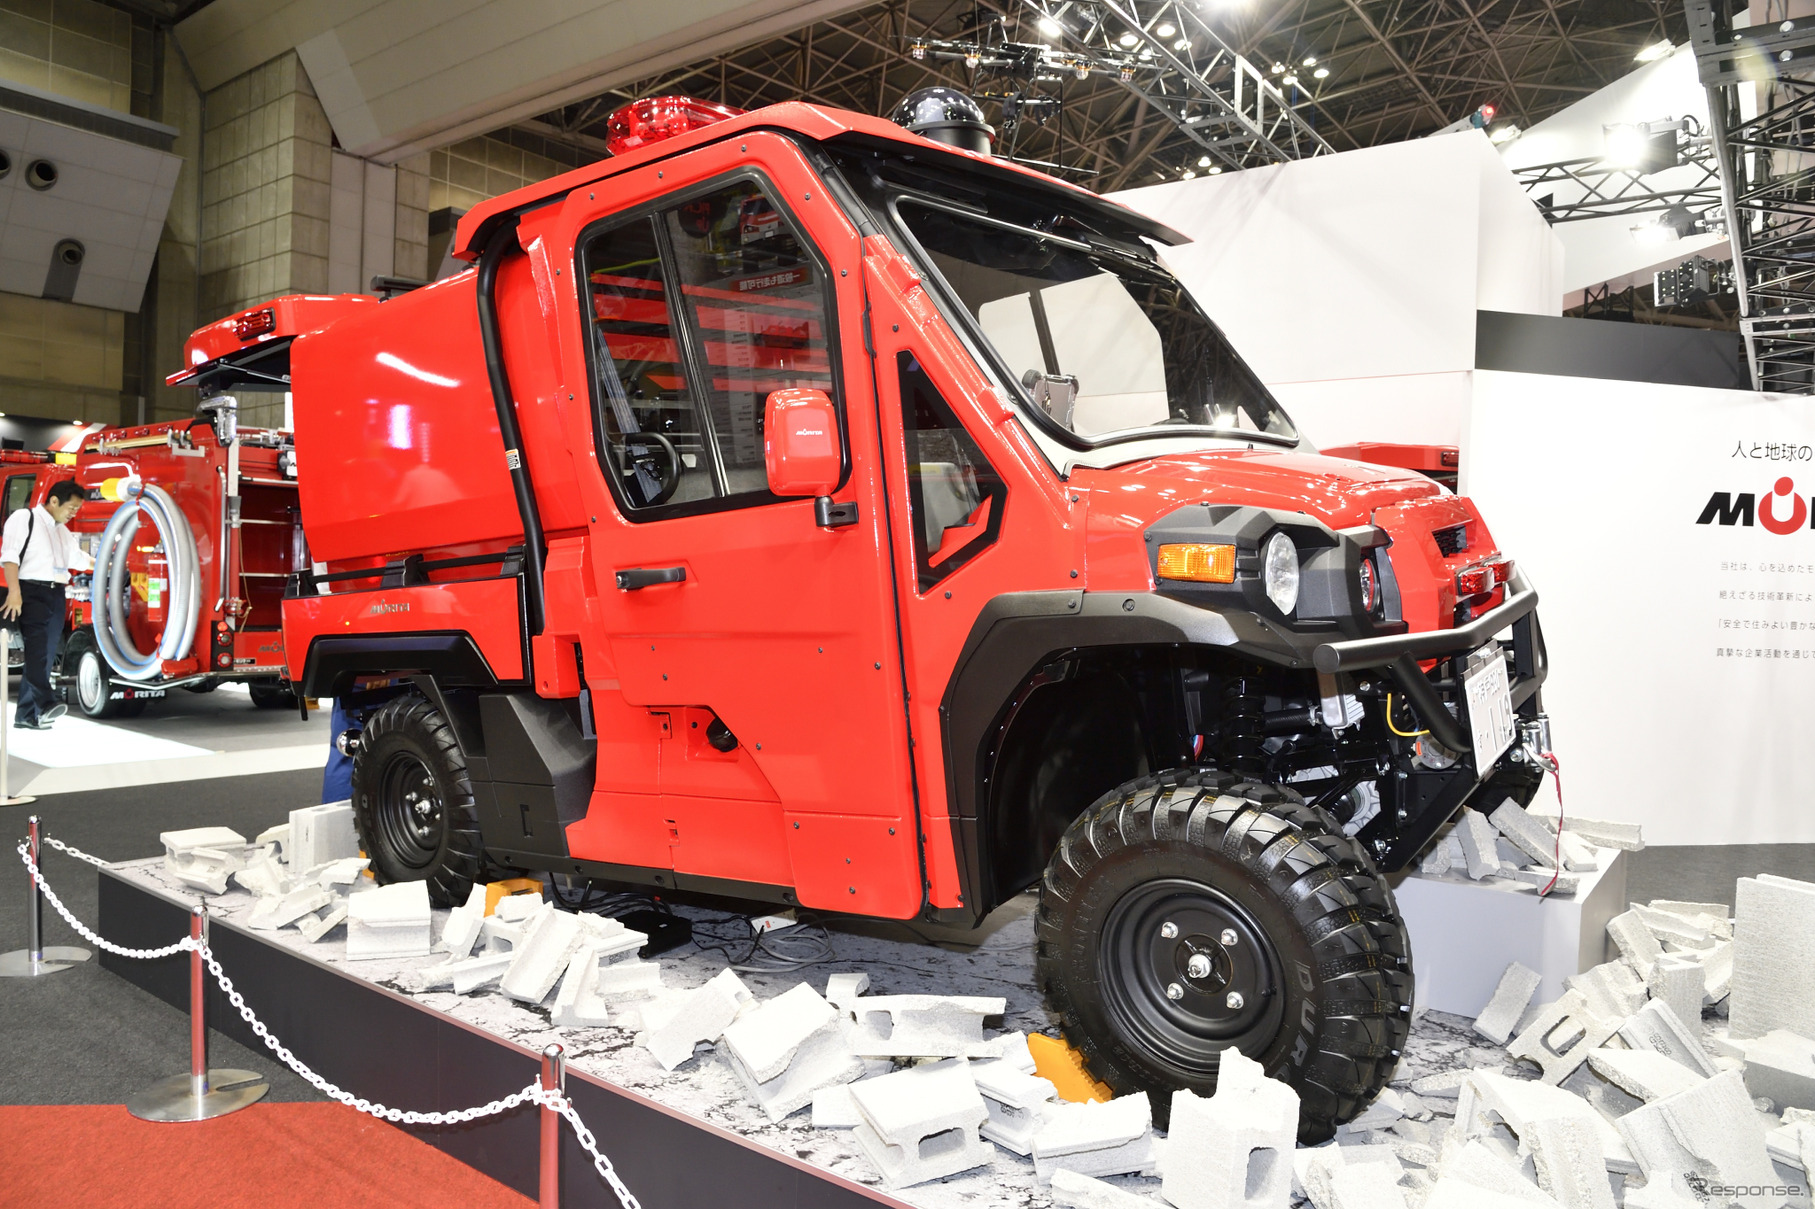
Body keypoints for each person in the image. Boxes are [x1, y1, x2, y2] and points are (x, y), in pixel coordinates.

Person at [1, 480, 91, 729]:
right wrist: (15, 592)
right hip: (31, 592)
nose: (74, 513)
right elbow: (9, 557)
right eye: (72, 507)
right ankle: (46, 703)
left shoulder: (61, 530)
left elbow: (78, 558)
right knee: (37, 651)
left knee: (46, 654)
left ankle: (26, 716)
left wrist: (108, 563)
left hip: (56, 594)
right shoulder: (24, 518)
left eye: (77, 508)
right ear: (54, 501)